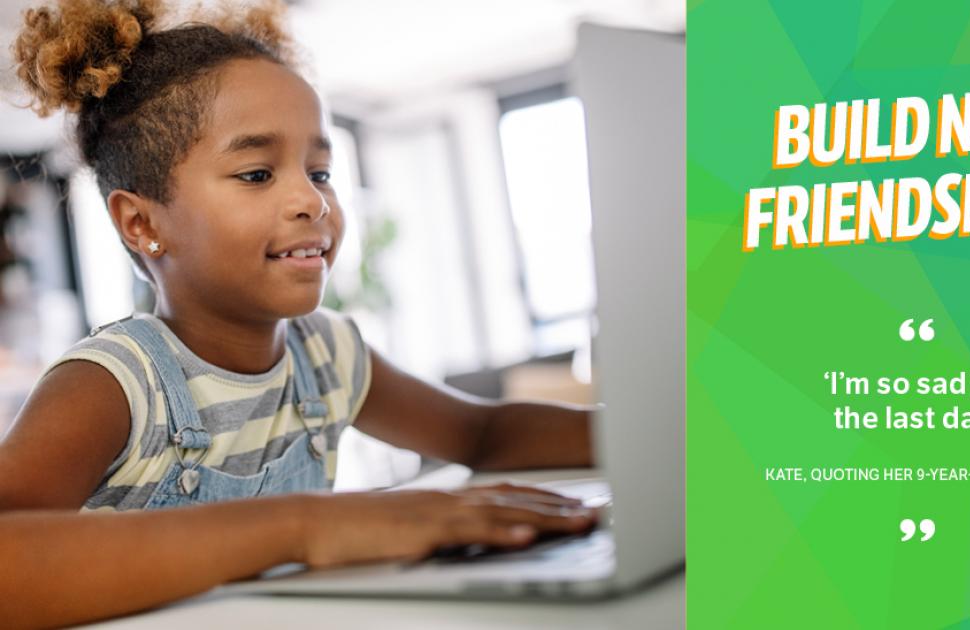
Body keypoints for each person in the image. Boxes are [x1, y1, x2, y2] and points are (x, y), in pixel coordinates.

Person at [0, 0, 596, 625]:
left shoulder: (326, 354)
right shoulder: (112, 383)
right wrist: (304, 526)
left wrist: (678, 437)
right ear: (142, 223)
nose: (312, 200)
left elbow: (482, 435)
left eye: (321, 170)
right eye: (257, 173)